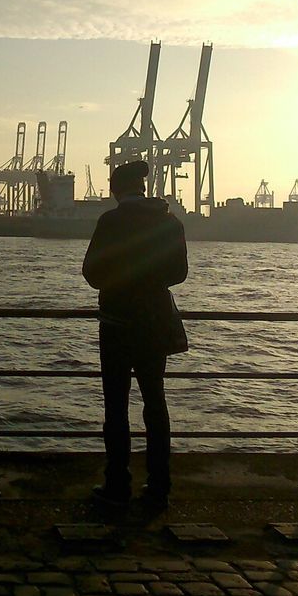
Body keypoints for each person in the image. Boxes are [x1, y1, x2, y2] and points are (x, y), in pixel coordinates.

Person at [82, 159, 188, 509]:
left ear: (115, 190)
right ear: (142, 188)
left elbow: (91, 271)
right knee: (155, 403)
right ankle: (159, 487)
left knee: (116, 407)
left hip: (116, 323)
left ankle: (117, 484)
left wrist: (121, 281)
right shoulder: (169, 222)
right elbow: (179, 272)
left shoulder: (110, 221)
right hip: (154, 322)